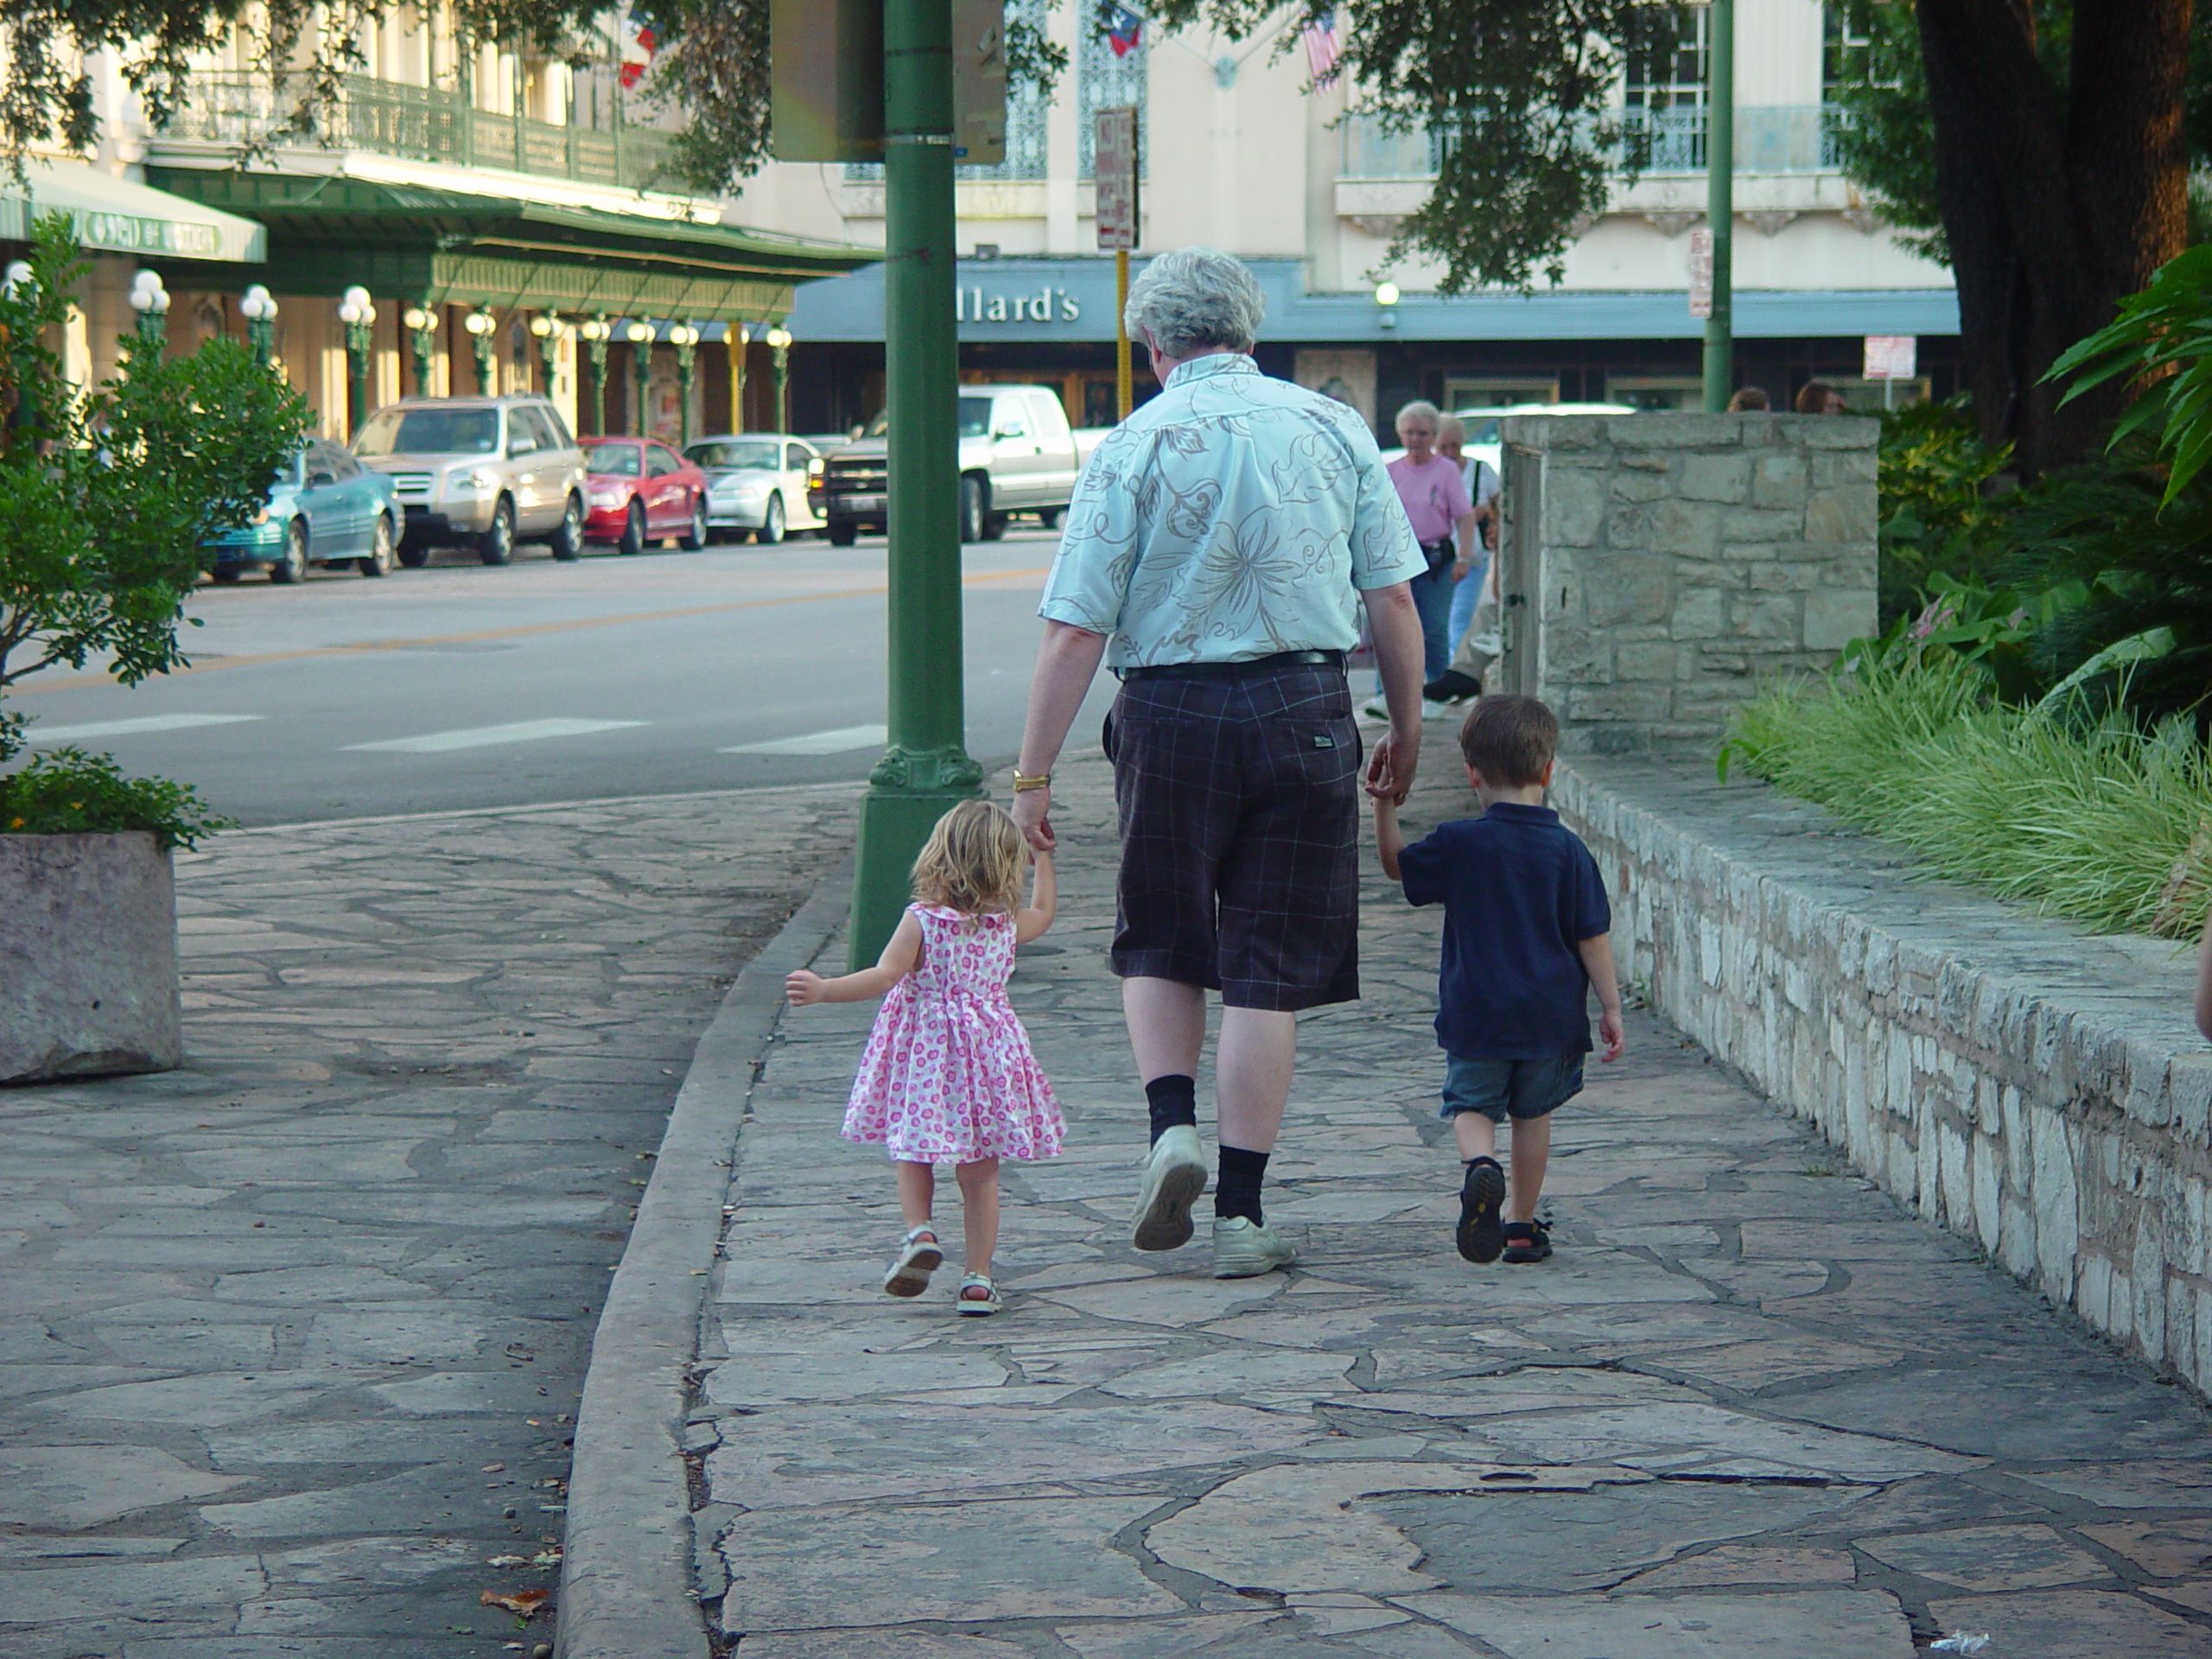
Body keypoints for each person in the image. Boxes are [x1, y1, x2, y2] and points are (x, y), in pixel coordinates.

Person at [1011, 245, 1428, 1281]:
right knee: (1268, 971)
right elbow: (1393, 601)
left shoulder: (1133, 445)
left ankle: (1169, 1131)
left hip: (1171, 712)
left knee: (1161, 935)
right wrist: (1408, 729)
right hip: (1306, 708)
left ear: (1153, 346)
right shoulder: (1335, 430)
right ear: (1250, 331)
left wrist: (1029, 781)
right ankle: (1241, 1218)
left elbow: (1073, 634)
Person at [1371, 696, 1624, 1265]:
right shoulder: (1569, 851)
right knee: (1532, 1117)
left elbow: (1397, 865)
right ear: (1548, 770)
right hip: (1549, 1017)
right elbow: (1593, 936)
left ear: (1472, 772)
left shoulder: (1460, 843)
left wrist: (1385, 804)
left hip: (1476, 1012)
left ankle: (1480, 1168)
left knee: (1472, 1106)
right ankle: (1520, 1226)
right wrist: (1610, 1007)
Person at [785, 801, 1063, 1316]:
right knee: (981, 1175)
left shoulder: (922, 921)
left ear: (938, 857)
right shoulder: (1002, 926)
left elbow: (884, 976)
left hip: (927, 1056)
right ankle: (977, 1280)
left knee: (914, 1149)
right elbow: (1043, 915)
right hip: (987, 1058)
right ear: (1006, 865)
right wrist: (1044, 857)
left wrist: (825, 990)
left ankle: (920, 1234)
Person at [1436, 413, 1500, 696]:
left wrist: (1487, 515)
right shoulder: (1430, 472)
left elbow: (1500, 506)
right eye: (1444, 447)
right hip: (1436, 557)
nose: (1450, 454)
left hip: (1472, 556)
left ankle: (1458, 677)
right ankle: (1444, 678)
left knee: (1461, 618)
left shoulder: (1480, 471)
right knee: (1436, 622)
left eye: (1455, 446)